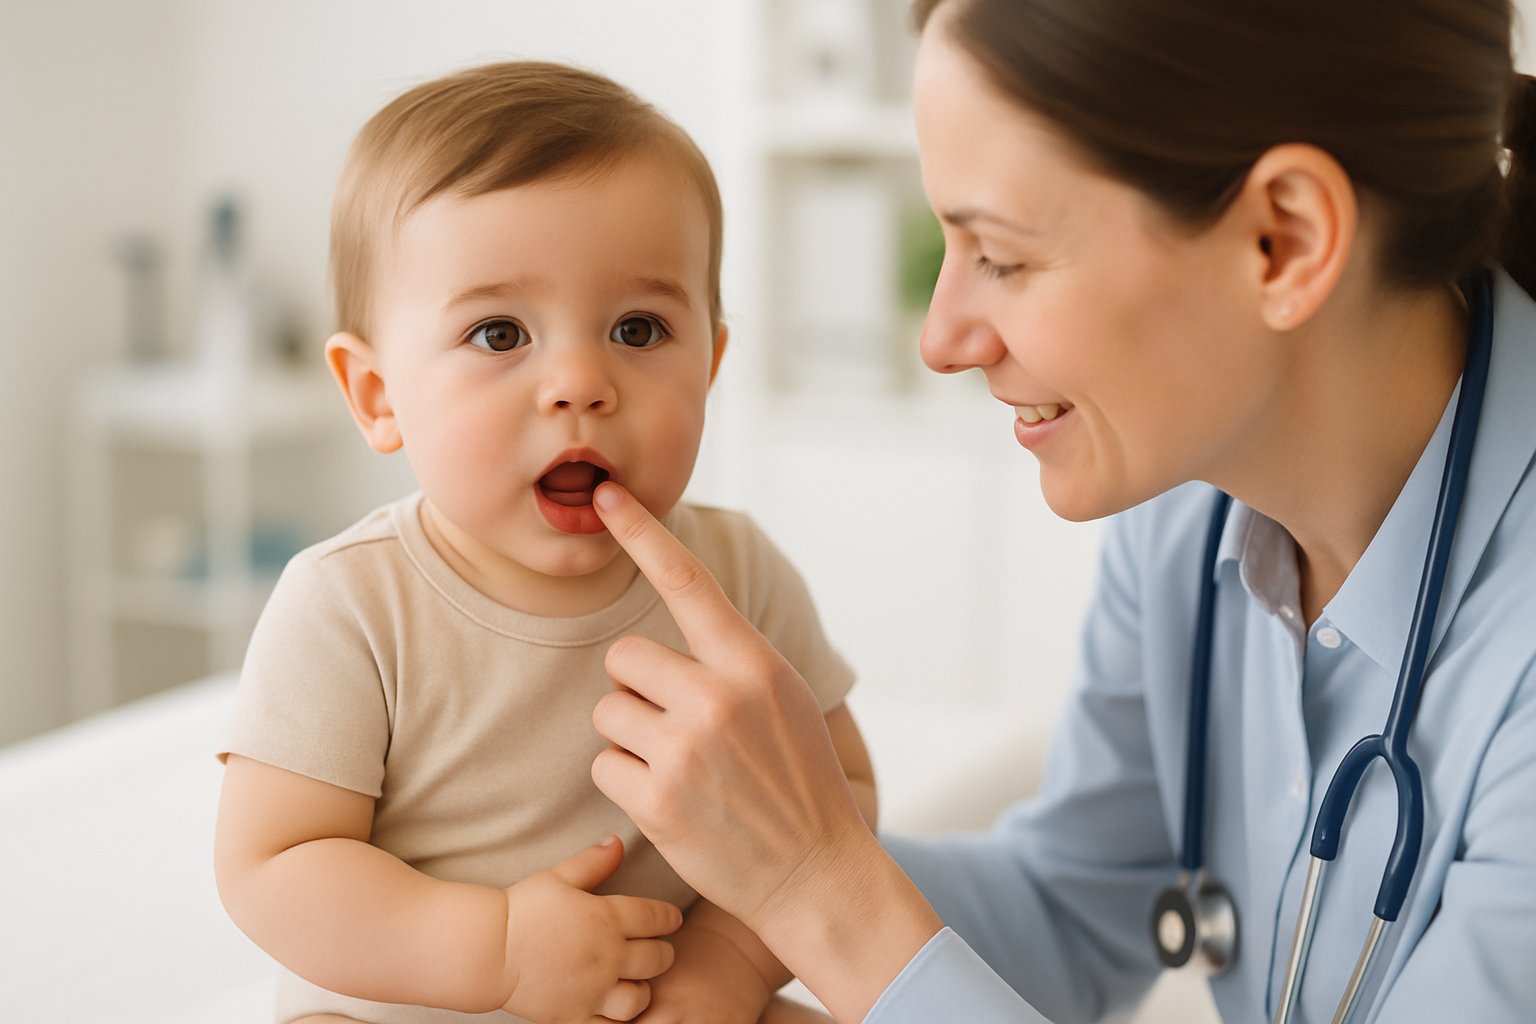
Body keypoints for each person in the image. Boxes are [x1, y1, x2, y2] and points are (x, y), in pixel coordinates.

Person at [584, 1, 1536, 1021]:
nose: (942, 337)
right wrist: (717, 875)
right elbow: (1078, 913)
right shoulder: (1192, 508)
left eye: (1002, 254)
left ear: (1284, 239)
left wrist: (816, 886)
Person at [211, 61, 874, 1024]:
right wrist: (497, 953)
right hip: (412, 1006)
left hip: (667, 998)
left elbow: (840, 797)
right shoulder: (350, 604)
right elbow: (272, 865)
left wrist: (729, 963)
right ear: (377, 395)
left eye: (638, 329)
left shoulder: (737, 579)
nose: (578, 383)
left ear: (712, 365)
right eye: (498, 334)